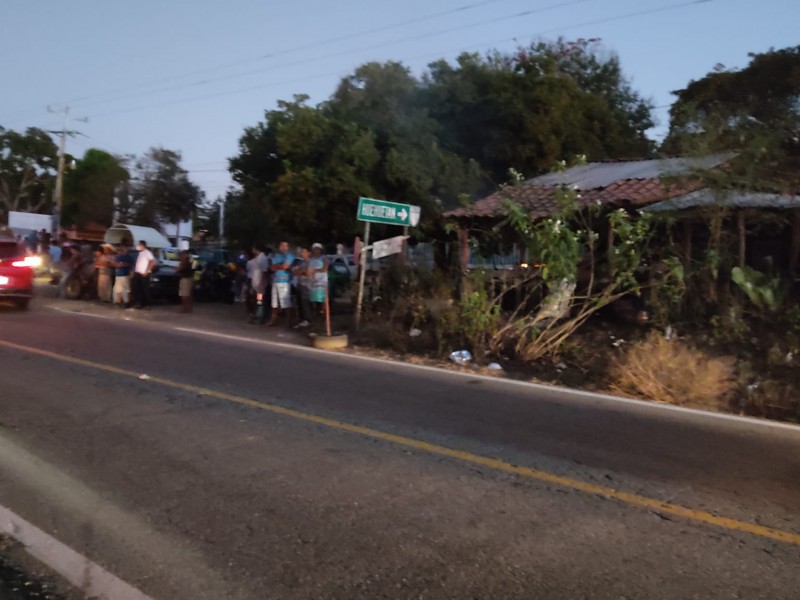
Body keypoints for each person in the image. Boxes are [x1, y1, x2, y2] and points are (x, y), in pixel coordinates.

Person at [268, 241, 294, 326]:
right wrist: (280, 266)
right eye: (281, 245)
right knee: (274, 302)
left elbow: (285, 266)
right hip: (275, 281)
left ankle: (289, 321)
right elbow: (272, 268)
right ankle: (273, 319)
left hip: (284, 282)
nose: (283, 247)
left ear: (288, 247)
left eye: (285, 246)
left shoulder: (289, 256)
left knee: (285, 302)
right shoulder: (276, 256)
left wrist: (278, 266)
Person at [131, 240, 156, 309]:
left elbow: (152, 262)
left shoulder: (147, 253)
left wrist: (147, 271)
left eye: (139, 245)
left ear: (142, 245)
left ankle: (148, 304)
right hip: (137, 273)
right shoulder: (140, 253)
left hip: (144, 274)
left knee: (145, 289)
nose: (138, 246)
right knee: (137, 289)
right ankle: (140, 303)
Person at [292, 248, 311, 328]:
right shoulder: (301, 262)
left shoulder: (310, 262)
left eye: (303, 251)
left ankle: (307, 320)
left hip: (306, 285)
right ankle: (301, 320)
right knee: (299, 303)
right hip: (299, 284)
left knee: (304, 303)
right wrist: (301, 271)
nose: (301, 253)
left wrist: (301, 271)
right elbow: (295, 272)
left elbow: (307, 273)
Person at [308, 243, 329, 311]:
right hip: (313, 282)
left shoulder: (324, 258)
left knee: (323, 300)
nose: (316, 251)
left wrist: (315, 270)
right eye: (315, 249)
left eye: (318, 249)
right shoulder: (311, 259)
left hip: (322, 283)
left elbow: (325, 268)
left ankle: (324, 314)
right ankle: (315, 313)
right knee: (313, 300)